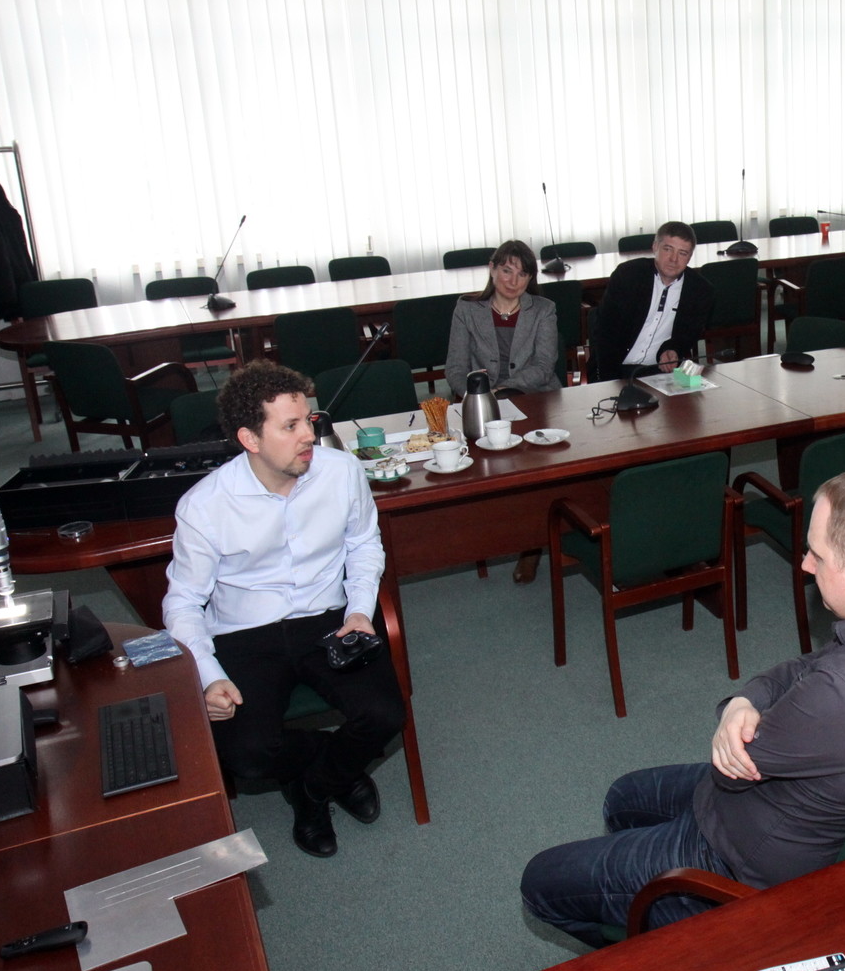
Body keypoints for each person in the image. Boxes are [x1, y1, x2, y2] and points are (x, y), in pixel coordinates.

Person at [520, 468, 845, 945]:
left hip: (735, 852)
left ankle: (660, 950)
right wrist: (743, 702)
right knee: (621, 797)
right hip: (781, 808)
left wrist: (737, 717)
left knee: (540, 883)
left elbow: (731, 772)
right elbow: (802, 667)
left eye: (817, 554)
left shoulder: (843, 695)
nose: (805, 565)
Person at [162, 360, 404, 858]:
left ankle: (311, 791)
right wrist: (208, 674)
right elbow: (183, 600)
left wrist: (360, 611)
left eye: (308, 421)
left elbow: (364, 545)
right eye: (290, 426)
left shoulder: (342, 471)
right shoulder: (204, 505)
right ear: (250, 439)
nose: (309, 435)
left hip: (328, 618)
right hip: (245, 630)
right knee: (246, 756)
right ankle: (333, 766)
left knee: (385, 714)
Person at [588, 221, 714, 381]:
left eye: (682, 253)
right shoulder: (628, 276)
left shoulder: (700, 290)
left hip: (660, 373)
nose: (674, 259)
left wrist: (672, 350)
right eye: (668, 249)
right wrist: (611, 381)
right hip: (615, 370)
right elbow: (605, 333)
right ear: (655, 247)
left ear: (690, 257)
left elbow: (686, 336)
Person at [445, 240, 560, 398]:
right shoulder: (466, 309)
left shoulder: (544, 310)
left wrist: (502, 390)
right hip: (481, 396)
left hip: (534, 394)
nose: (513, 282)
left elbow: (544, 367)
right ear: (492, 269)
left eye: (522, 274)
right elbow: (455, 369)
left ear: (530, 278)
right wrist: (477, 396)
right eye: (507, 271)